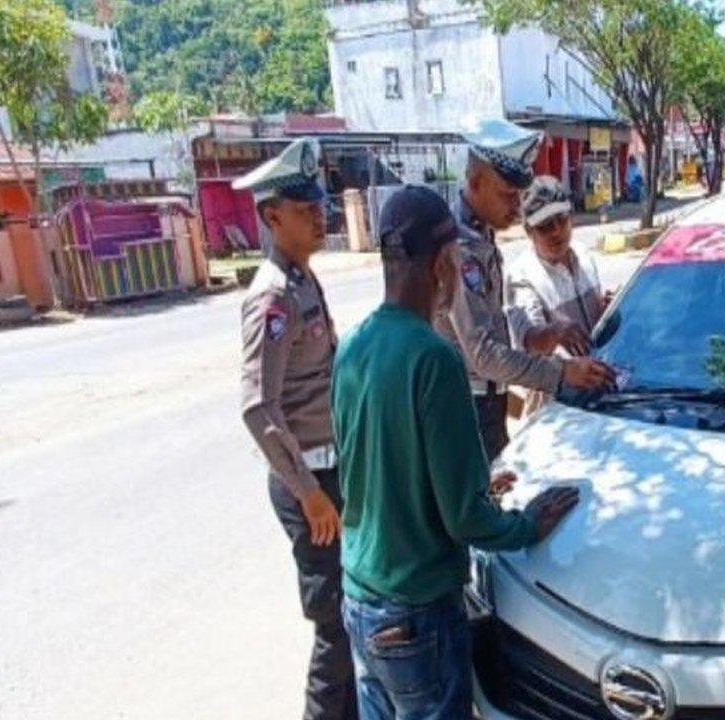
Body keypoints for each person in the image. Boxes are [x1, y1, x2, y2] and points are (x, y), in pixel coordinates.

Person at [332, 185, 581, 720]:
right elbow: (467, 521)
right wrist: (524, 525)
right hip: (417, 612)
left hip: (359, 598)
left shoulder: (353, 347)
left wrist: (471, 484)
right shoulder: (437, 361)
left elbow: (369, 473)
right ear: (445, 262)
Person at [236, 139, 357, 720]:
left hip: (331, 472)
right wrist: (309, 492)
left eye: (320, 203)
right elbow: (258, 410)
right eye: (304, 207)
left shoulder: (304, 279)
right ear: (271, 216)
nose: (320, 214)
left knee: (352, 614)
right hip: (306, 483)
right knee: (334, 626)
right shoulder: (273, 297)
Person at [435, 118, 612, 461]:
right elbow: (484, 354)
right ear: (476, 182)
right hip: (463, 409)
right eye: (508, 195)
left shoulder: (481, 240)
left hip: (488, 404)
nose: (517, 207)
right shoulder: (460, 250)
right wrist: (562, 372)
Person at [506, 176, 612, 416]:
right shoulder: (521, 276)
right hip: (556, 406)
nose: (556, 232)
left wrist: (609, 309)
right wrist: (555, 333)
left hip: (600, 392)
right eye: (545, 226)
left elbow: (596, 323)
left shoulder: (584, 256)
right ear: (529, 231)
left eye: (561, 220)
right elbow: (529, 341)